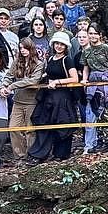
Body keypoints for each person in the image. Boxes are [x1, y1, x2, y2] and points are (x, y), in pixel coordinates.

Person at [28, 33, 79, 163]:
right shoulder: (50, 59)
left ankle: (61, 154)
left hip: (63, 97)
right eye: (57, 43)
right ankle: (39, 154)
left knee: (62, 124)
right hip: (49, 96)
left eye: (62, 44)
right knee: (45, 123)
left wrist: (57, 82)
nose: (59, 46)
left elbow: (74, 78)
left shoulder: (67, 60)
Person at [7, 38, 45, 161]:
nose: (23, 51)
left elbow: (33, 81)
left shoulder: (39, 64)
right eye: (21, 48)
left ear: (31, 48)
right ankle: (20, 156)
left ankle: (31, 155)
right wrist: (4, 85)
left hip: (31, 101)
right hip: (18, 100)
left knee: (30, 130)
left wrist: (13, 85)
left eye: (25, 48)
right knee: (13, 128)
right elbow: (9, 75)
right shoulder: (17, 62)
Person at [82, 25, 108, 155]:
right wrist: (85, 80)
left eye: (95, 33)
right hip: (93, 82)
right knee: (94, 110)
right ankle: (98, 140)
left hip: (106, 80)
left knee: (107, 110)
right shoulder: (86, 51)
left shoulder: (106, 48)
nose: (93, 36)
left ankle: (107, 140)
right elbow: (86, 67)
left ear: (100, 35)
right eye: (90, 33)